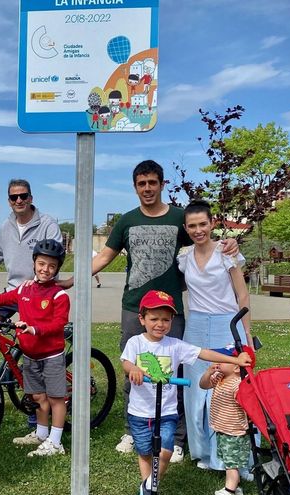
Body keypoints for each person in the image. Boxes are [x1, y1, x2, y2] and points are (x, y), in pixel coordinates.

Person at [72, 159, 239, 458]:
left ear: (162, 185)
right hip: (134, 307)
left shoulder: (179, 218)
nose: (147, 188)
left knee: (173, 370)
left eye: (152, 183)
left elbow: (205, 240)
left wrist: (230, 244)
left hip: (169, 310)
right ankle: (131, 429)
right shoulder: (126, 221)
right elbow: (105, 256)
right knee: (133, 370)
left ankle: (175, 437)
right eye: (141, 183)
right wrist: (72, 279)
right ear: (135, 187)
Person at [120, 290, 251, 495]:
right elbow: (126, 363)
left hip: (166, 412)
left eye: (165, 319)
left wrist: (235, 360)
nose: (160, 324)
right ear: (142, 319)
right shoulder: (135, 342)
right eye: (154, 319)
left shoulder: (175, 345)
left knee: (165, 452)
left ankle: (150, 485)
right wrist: (134, 369)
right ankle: (148, 487)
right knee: (145, 452)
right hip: (140, 411)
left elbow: (203, 353)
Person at [0, 239, 70, 457]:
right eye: (42, 263)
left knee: (56, 399)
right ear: (34, 263)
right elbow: (6, 297)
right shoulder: (25, 287)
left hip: (51, 355)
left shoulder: (59, 295)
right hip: (31, 355)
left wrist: (34, 329)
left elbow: (58, 324)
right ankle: (42, 433)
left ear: (57, 269)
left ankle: (56, 442)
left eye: (52, 266)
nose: (46, 269)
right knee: (38, 397)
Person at [177, 200, 253, 472]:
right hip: (195, 325)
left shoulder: (226, 253)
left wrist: (246, 335)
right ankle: (204, 453)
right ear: (186, 228)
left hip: (225, 324)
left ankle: (230, 458)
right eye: (192, 226)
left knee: (226, 389)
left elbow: (242, 295)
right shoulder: (184, 257)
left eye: (203, 224)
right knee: (196, 390)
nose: (198, 230)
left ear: (212, 224)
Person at [0, 179, 62, 353]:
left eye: (23, 196)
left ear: (31, 198)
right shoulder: (7, 226)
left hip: (39, 294)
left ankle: (34, 372)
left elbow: (55, 257)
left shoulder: (47, 224)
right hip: (13, 293)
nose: (18, 200)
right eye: (14, 197)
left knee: (32, 339)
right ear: (9, 201)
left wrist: (36, 282)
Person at [200, 360, 249, 495]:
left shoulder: (238, 385)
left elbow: (247, 405)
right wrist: (208, 372)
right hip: (222, 429)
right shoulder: (220, 378)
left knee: (231, 464)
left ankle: (229, 490)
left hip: (234, 431)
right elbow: (203, 385)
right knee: (228, 460)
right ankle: (236, 486)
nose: (218, 362)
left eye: (224, 361)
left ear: (237, 368)